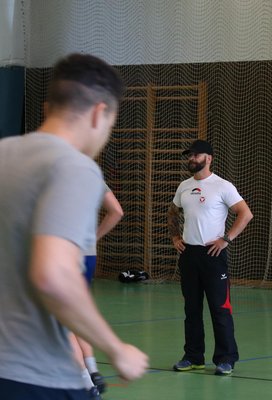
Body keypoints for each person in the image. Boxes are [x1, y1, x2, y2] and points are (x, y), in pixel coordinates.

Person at [0, 53, 148, 400]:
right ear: (99, 113)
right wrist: (116, 348)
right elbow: (53, 276)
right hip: (35, 377)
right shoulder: (75, 168)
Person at [167, 139, 253, 376]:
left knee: (220, 308)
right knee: (191, 309)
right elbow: (172, 212)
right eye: (189, 156)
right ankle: (193, 357)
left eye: (195, 155)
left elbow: (245, 214)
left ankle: (226, 359)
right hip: (189, 255)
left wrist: (226, 239)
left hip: (213, 256)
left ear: (209, 158)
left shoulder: (223, 186)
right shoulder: (184, 186)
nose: (191, 159)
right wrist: (175, 237)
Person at [71, 184, 124, 395]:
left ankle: (86, 383)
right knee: (75, 317)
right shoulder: (91, 174)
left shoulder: (49, 170)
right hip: (87, 254)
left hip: (65, 253)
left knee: (60, 323)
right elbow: (117, 211)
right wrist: (93, 237)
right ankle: (93, 371)